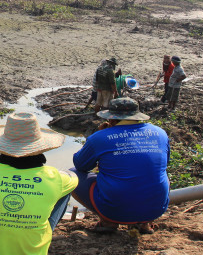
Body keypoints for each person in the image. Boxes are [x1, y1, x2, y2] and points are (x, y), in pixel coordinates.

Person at [0, 112, 78, 255]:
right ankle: (40, 234)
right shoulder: (55, 178)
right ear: (41, 148)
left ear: (1, 146)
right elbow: (72, 176)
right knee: (65, 190)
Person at [71, 98, 170, 234]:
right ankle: (144, 223)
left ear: (111, 120)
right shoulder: (160, 133)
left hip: (114, 209)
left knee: (71, 174)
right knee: (151, 174)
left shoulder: (100, 137)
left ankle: (108, 222)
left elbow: (80, 165)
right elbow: (163, 164)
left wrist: (97, 136)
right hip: (155, 208)